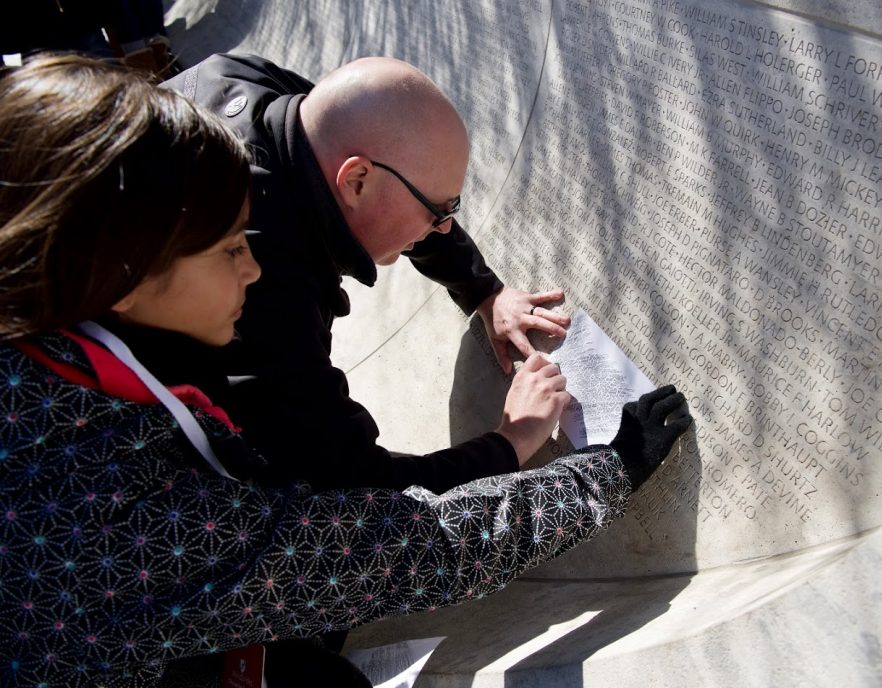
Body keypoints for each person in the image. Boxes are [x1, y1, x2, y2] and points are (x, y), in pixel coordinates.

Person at [0, 54, 692, 688]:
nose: (250, 264)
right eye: (227, 247)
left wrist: (480, 287)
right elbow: (391, 545)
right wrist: (595, 466)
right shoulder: (114, 521)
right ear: (120, 274)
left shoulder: (229, 102)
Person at [164, 54, 578, 494]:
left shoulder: (239, 79)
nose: (444, 227)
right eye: (439, 211)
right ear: (356, 181)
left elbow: (367, 141)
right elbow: (355, 488)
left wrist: (483, 289)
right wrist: (511, 442)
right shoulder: (253, 289)